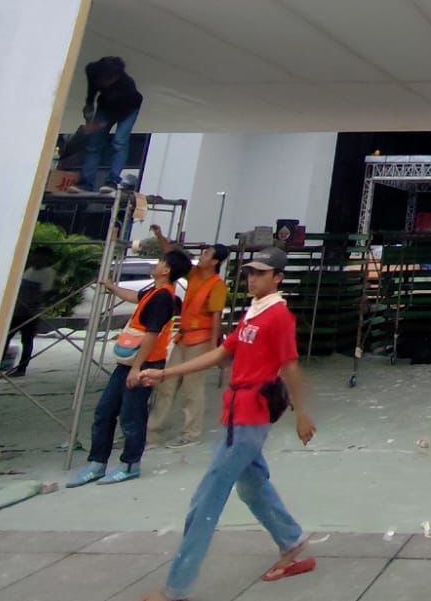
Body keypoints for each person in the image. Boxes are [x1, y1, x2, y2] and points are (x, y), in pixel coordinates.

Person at [138, 246, 317, 600]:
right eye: (250, 272)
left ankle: (176, 587)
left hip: (251, 415)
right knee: (252, 486)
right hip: (236, 412)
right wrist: (165, 373)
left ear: (277, 277)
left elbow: (290, 366)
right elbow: (222, 353)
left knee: (206, 499)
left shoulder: (278, 316)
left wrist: (302, 413)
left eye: (261, 273)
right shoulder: (253, 313)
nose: (252, 278)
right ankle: (291, 540)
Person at [68, 248, 192, 486]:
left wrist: (136, 368)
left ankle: (129, 464)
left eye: (159, 262)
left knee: (131, 416)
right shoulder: (152, 292)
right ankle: (97, 463)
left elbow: (151, 334)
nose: (155, 265)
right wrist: (112, 287)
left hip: (144, 363)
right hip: (129, 362)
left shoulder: (163, 297)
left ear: (166, 269)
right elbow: (134, 297)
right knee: (105, 411)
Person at [147, 227, 231, 449]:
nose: (201, 256)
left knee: (192, 388)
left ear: (215, 262)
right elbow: (174, 256)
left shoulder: (217, 285)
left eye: (206, 254)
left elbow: (216, 317)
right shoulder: (193, 274)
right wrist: (160, 237)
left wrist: (213, 348)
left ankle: (191, 433)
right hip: (183, 338)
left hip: (200, 341)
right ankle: (152, 431)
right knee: (167, 384)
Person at [81, 56, 144, 192]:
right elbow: (91, 93)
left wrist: (98, 124)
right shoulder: (92, 71)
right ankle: (86, 183)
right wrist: (89, 110)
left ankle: (112, 181)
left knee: (119, 142)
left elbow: (119, 113)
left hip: (128, 108)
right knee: (93, 144)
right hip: (105, 104)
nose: (105, 83)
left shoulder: (127, 86)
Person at [4, 247, 58, 377]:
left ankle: (22, 368)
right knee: (6, 337)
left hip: (31, 312)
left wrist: (33, 305)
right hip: (18, 310)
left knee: (27, 340)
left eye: (39, 256)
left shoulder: (48, 273)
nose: (35, 259)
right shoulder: (29, 270)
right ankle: (0, 364)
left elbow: (44, 293)